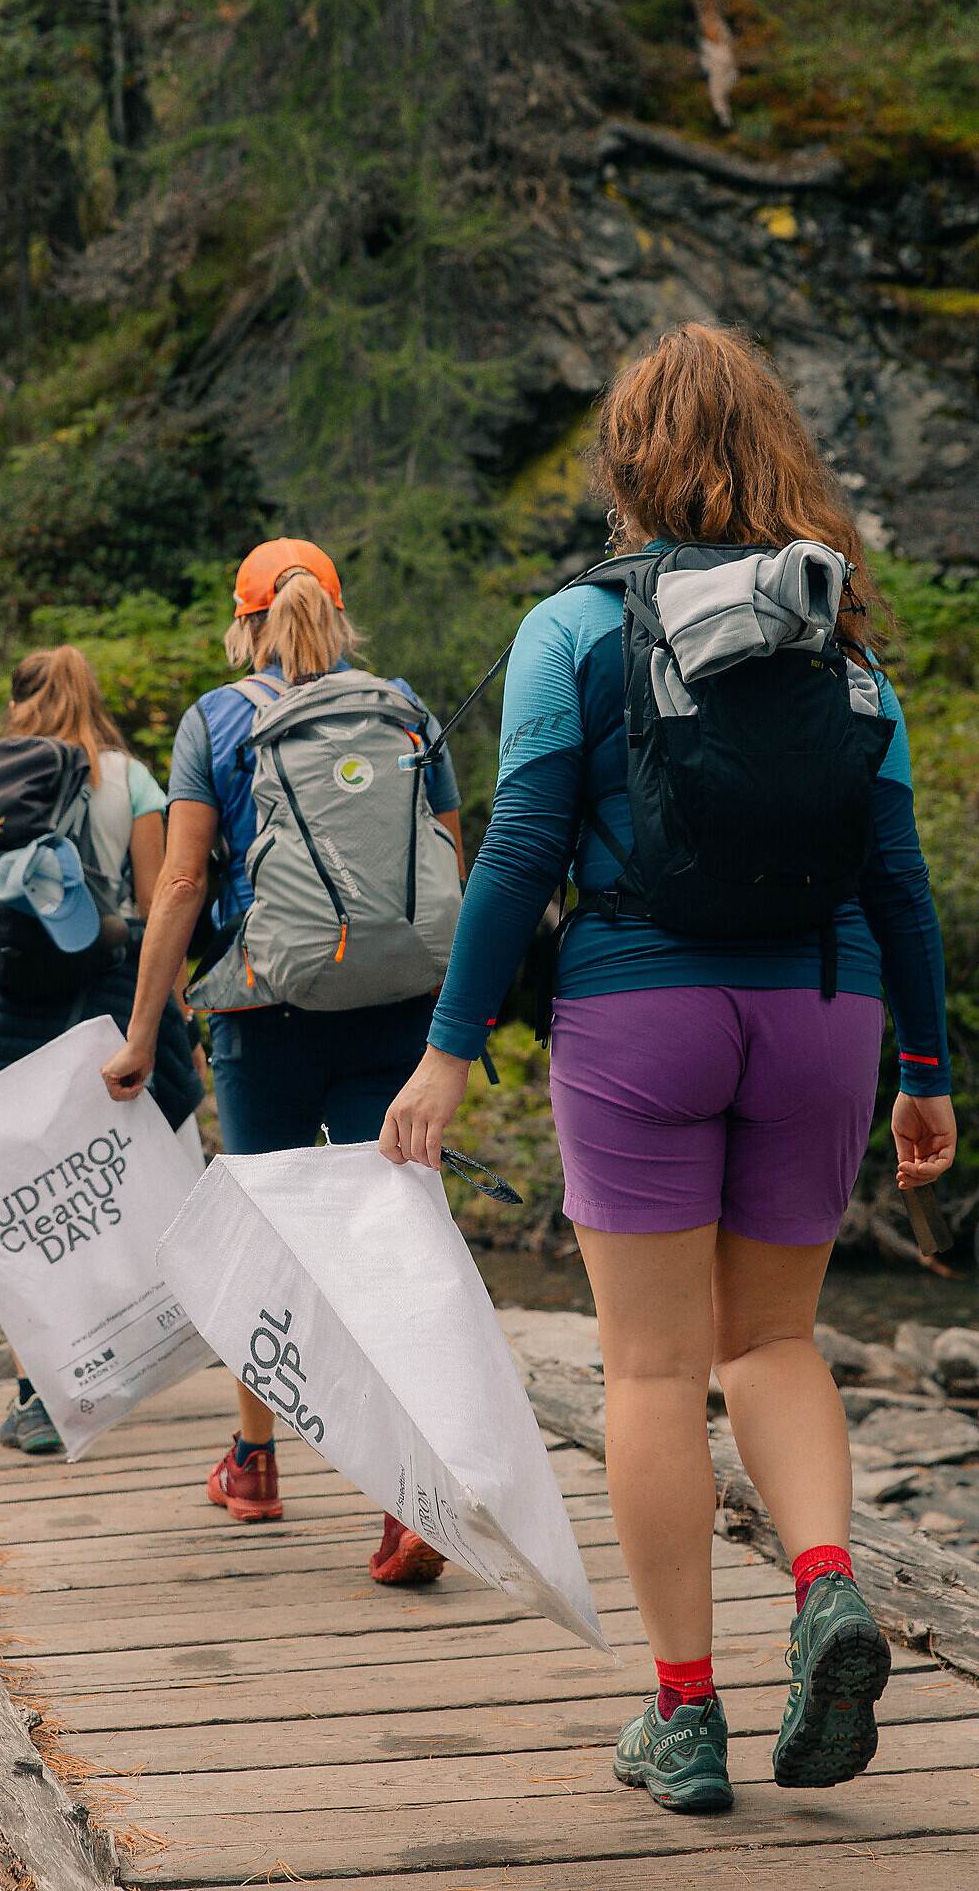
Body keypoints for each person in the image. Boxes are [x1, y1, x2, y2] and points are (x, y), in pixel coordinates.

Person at [380, 324, 955, 1807]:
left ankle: (685, 1715)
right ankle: (825, 1582)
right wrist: (927, 1064)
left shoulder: (576, 624)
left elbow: (519, 847)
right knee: (771, 1342)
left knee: (646, 1364)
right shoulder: (839, 634)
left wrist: (449, 1050)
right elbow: (897, 877)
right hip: (826, 1009)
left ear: (627, 459)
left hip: (641, 1004)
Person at [101, 537, 466, 1584]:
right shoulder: (402, 706)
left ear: (244, 619)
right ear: (336, 613)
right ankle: (408, 1497)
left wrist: (140, 1035)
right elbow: (447, 861)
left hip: (262, 1009)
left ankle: (256, 1463)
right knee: (391, 1245)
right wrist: (458, 1027)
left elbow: (177, 886)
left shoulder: (216, 720)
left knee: (264, 1242)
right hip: (398, 1011)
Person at [0, 645, 205, 1453]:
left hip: (0, 1009)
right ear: (92, 695)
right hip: (102, 1010)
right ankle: (127, 1345)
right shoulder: (129, 780)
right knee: (99, 1191)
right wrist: (169, 1022)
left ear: (18, 701)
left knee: (22, 1208)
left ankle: (38, 1391)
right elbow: (151, 910)